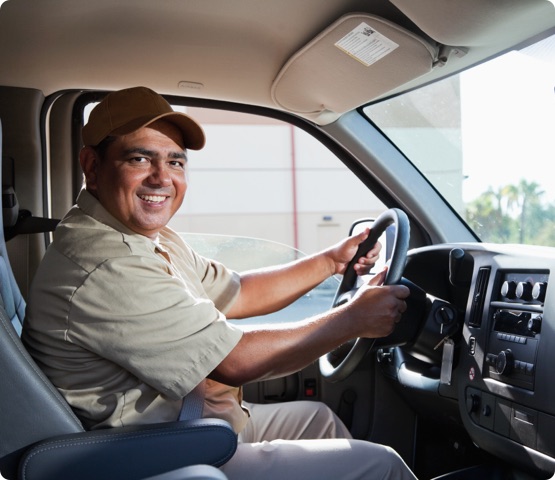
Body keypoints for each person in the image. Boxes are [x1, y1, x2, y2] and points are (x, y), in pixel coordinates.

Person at [22, 86, 415, 479]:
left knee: (318, 420)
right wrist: (354, 319)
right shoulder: (106, 263)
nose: (162, 178)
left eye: (175, 162)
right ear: (92, 166)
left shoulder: (142, 237)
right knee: (382, 464)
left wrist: (331, 261)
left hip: (185, 424)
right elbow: (235, 362)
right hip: (148, 452)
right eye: (139, 158)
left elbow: (239, 290)